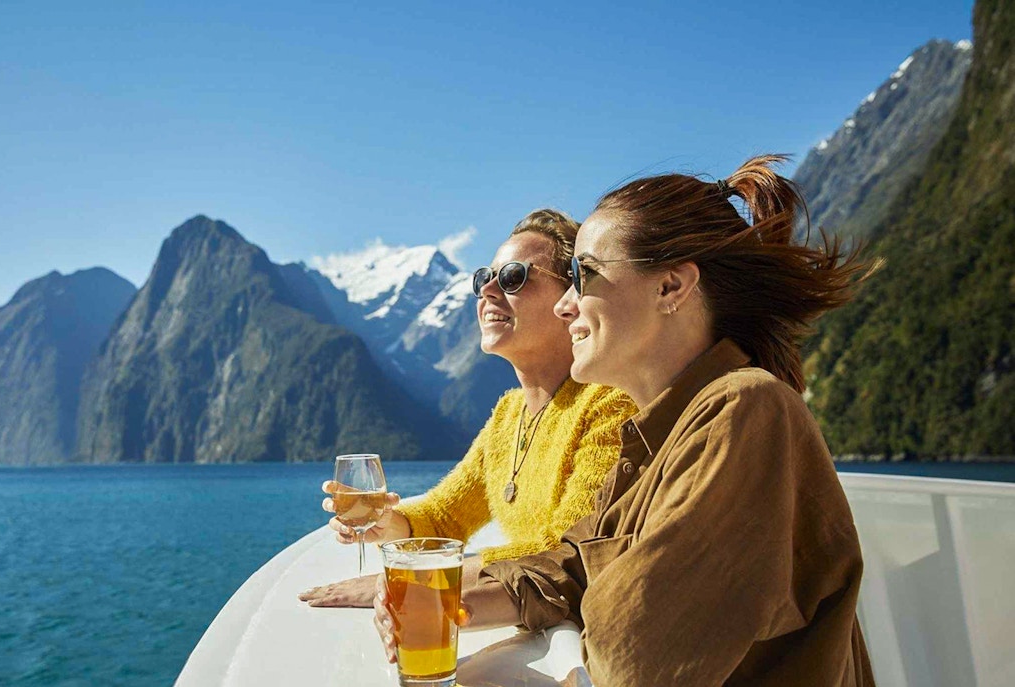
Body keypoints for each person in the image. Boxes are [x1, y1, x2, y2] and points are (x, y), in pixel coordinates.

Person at [373, 155, 879, 685]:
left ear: (671, 287)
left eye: (584, 275)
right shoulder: (657, 435)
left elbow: (631, 654)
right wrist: (450, 604)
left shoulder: (745, 409)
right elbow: (571, 566)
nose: (567, 305)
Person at [300, 209, 636, 608]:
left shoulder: (609, 404)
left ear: (570, 298)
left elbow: (563, 550)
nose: (488, 290)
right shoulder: (509, 416)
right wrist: (389, 524)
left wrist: (407, 578)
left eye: (513, 276)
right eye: (483, 278)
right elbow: (446, 517)